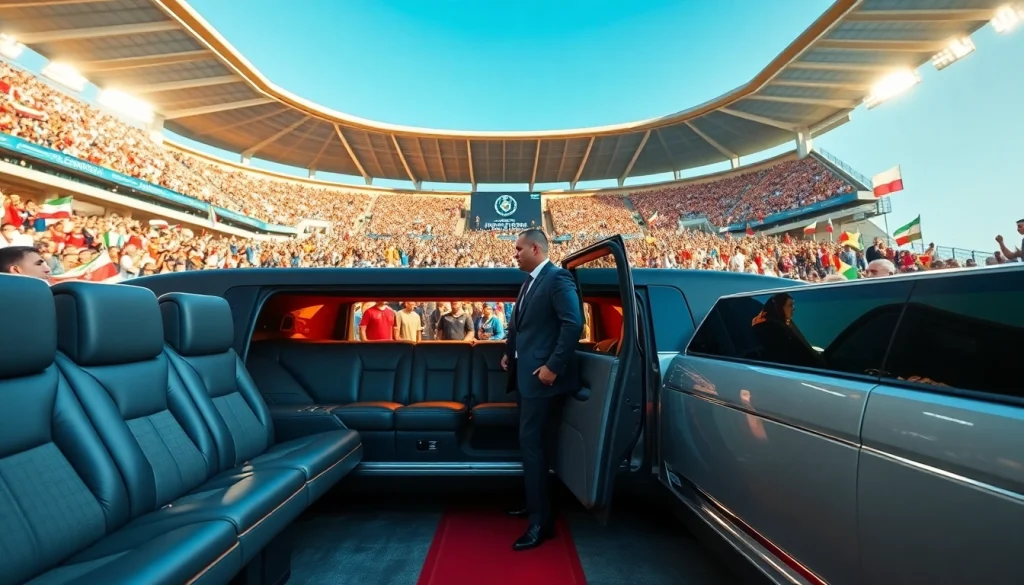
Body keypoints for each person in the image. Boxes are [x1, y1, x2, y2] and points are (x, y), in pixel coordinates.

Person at [501, 228, 583, 551]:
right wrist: (512, 353)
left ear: (536, 248)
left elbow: (573, 324)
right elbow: (524, 327)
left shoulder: (557, 278)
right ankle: (537, 507)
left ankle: (540, 523)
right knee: (532, 446)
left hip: (541, 380)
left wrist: (552, 366)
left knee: (532, 446)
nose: (515, 254)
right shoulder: (529, 282)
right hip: (526, 378)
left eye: (519, 249)